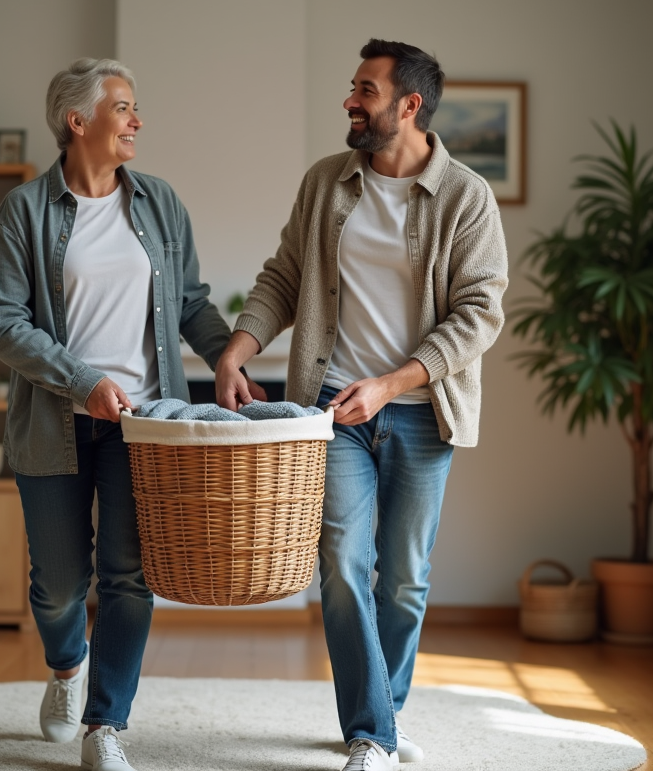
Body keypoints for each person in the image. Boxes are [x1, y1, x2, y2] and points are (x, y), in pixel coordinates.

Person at [216, 39, 509, 771]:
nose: (350, 101)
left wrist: (392, 383)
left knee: (404, 577)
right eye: (352, 88)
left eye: (365, 91)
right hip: (330, 408)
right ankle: (371, 733)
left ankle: (385, 710)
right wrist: (236, 351)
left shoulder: (466, 196)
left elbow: (480, 313)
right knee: (344, 562)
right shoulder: (326, 182)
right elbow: (284, 276)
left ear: (409, 105)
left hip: (420, 409)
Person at [0, 58, 253, 771]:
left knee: (128, 574)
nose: (137, 120)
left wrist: (227, 359)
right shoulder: (23, 211)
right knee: (59, 583)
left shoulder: (159, 202)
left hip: (146, 423)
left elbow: (190, 303)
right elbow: (4, 323)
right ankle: (66, 666)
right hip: (55, 422)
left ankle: (106, 726)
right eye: (123, 107)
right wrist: (84, 381)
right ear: (78, 122)